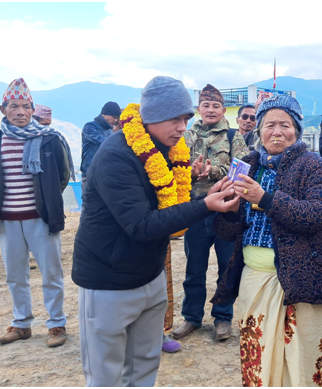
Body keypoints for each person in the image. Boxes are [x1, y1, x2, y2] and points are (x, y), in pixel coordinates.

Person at [72, 76, 240, 387]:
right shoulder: (116, 155)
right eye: (174, 118)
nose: (181, 127)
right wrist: (206, 205)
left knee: (145, 366)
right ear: (149, 116)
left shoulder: (167, 149)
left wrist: (206, 194)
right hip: (109, 281)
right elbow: (141, 224)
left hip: (150, 275)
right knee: (106, 375)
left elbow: (171, 204)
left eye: (186, 118)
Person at [211, 94, 322, 386]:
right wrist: (230, 212)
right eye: (269, 125)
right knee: (259, 355)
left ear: (296, 129)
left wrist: (265, 199)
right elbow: (226, 232)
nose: (277, 132)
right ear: (258, 130)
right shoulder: (246, 165)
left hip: (302, 280)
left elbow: (319, 214)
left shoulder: (313, 165)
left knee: (301, 358)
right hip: (254, 279)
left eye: (285, 124)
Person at [0, 78, 74, 348]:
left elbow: (63, 176)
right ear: (3, 109)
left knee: (51, 272)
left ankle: (56, 324)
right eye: (14, 106)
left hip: (40, 218)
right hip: (8, 219)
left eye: (26, 106)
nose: (20, 112)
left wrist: (47, 202)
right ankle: (21, 323)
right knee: (15, 274)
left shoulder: (48, 139)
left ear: (32, 109)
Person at [173, 84, 249, 341]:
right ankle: (191, 317)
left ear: (224, 110)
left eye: (216, 106)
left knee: (226, 266)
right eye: (206, 105)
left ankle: (223, 317)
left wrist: (214, 171)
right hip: (195, 209)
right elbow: (174, 166)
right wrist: (191, 172)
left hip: (225, 209)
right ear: (198, 109)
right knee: (194, 266)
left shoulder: (233, 136)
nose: (211, 109)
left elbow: (243, 168)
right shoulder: (186, 136)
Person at [80, 101, 122, 181]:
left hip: (105, 172)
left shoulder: (109, 131)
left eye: (117, 118)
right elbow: (103, 142)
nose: (115, 120)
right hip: (90, 173)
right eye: (114, 117)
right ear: (104, 115)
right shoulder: (90, 126)